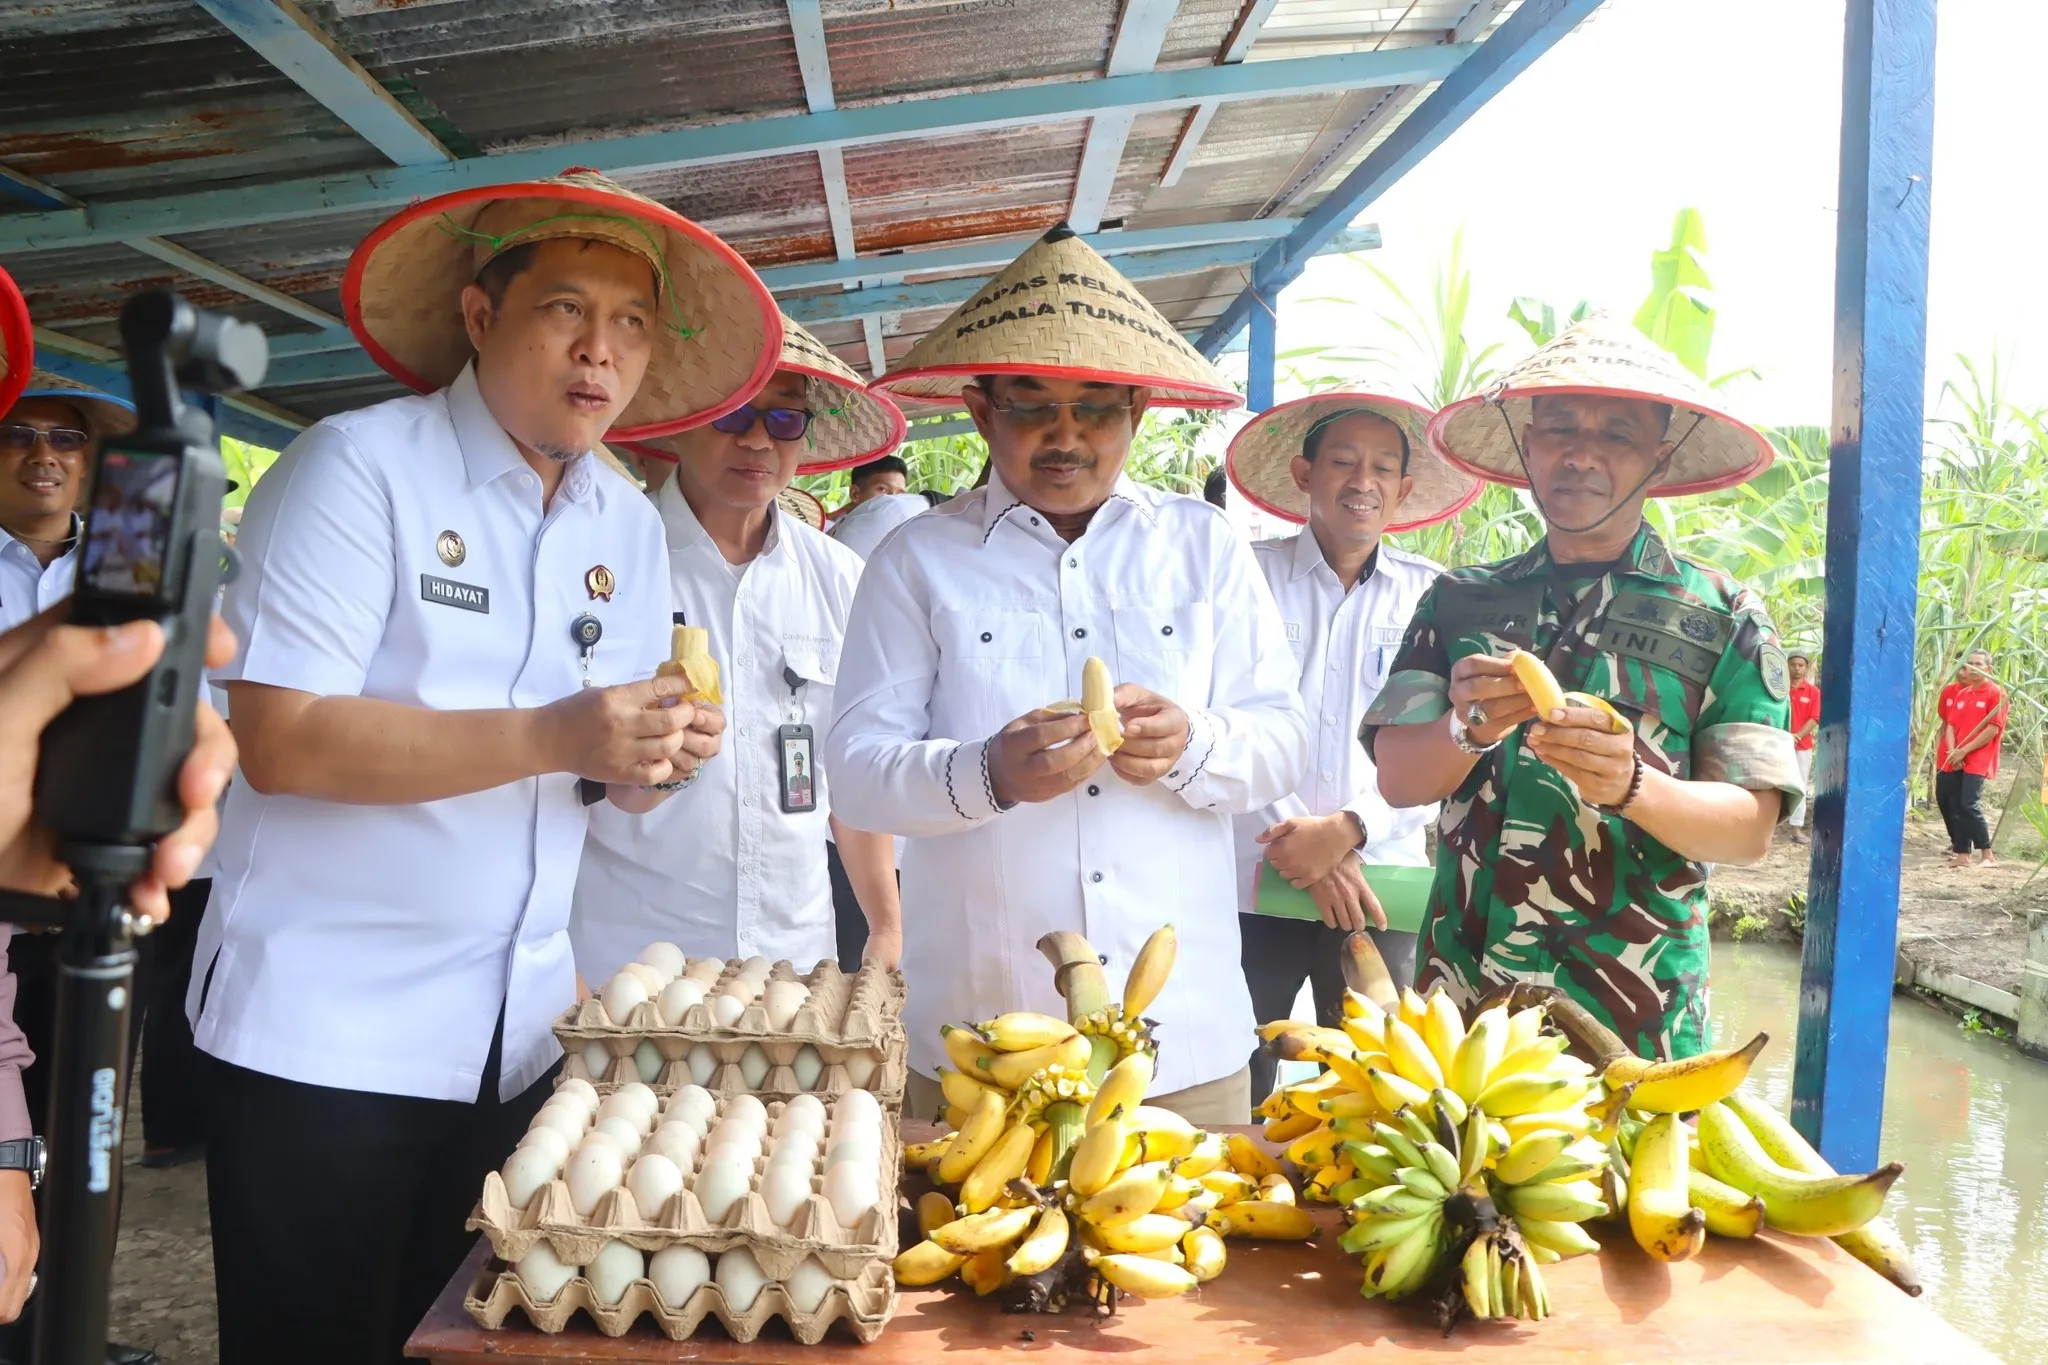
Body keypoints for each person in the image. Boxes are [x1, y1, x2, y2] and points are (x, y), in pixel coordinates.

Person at [190, 170, 774, 1365]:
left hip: (515, 1044)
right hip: (325, 1037)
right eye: (565, 309)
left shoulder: (621, 519)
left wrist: (646, 761)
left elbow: (596, 773)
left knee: (474, 1345)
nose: (597, 352)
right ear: (477, 315)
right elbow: (281, 737)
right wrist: (561, 735)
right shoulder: (359, 469)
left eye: (628, 325)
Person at [831, 225, 1307, 1125]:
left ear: (1136, 411)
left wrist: (1193, 744)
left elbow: (1283, 738)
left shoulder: (1201, 548)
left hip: (1181, 1049)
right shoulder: (917, 560)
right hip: (980, 1045)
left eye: (1094, 407)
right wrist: (986, 774)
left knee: (1197, 1267)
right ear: (981, 411)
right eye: (1031, 405)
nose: (1064, 434)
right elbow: (856, 767)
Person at [1366, 315, 1801, 1061]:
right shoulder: (1460, 600)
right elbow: (1398, 780)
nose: (1580, 454)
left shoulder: (1721, 616)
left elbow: (1749, 828)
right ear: (1528, 443)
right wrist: (1464, 729)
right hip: (1463, 1006)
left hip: (1633, 1016)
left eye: (1617, 435)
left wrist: (1633, 784)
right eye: (1560, 428)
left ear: (1658, 461)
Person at [576, 317, 904, 985]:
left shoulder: (838, 579)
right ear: (680, 418)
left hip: (795, 959)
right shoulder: (601, 565)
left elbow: (851, 773)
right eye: (733, 413)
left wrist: (885, 923)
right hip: (631, 958)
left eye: (784, 418)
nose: (758, 438)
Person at [1221, 392, 1477, 1101]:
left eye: (1380, 467)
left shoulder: (1433, 599)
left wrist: (1347, 830)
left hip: (1379, 884)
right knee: (1234, 1068)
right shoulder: (1245, 576)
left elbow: (1442, 742)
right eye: (1341, 461)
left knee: (1376, 1080)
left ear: (1404, 489)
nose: (1361, 481)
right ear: (1304, 473)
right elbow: (1222, 716)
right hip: (1248, 876)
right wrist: (1294, 838)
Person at [1935, 649, 2006, 868]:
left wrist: (1963, 751)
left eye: (1979, 664)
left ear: (1989, 669)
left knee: (1969, 804)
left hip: (1978, 757)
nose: (1973, 669)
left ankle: (1987, 854)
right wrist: (1953, 751)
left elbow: (1993, 729)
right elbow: (1951, 725)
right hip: (1956, 756)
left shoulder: (1996, 693)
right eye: (1970, 664)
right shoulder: (1961, 694)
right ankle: (1962, 854)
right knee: (1955, 803)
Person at [1787, 650, 1820, 844]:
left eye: (1800, 665)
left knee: (1799, 786)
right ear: (1787, 666)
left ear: (1806, 668)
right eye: (1793, 664)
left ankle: (1796, 829)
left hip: (1802, 746)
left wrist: (1797, 736)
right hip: (1778, 744)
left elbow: (1814, 718)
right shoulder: (1779, 689)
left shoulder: (1813, 692)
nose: (1797, 668)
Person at [841, 453, 908, 511]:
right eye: (882, 489)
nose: (893, 500)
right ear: (855, 494)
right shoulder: (837, 525)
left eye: (899, 494)